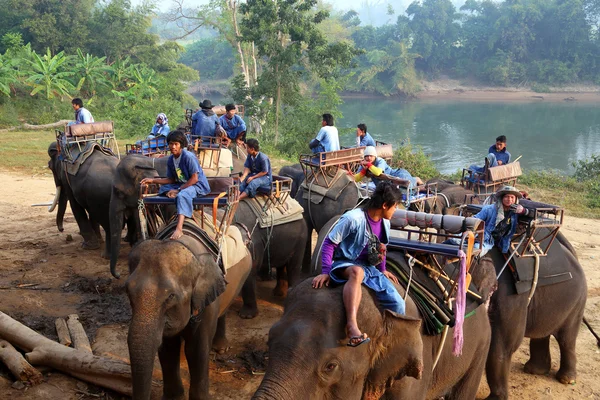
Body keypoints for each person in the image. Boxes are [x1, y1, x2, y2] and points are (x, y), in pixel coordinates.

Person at [312, 181, 405, 347]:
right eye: (395, 206)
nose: (395, 210)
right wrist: (326, 271)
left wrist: (382, 269)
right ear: (385, 205)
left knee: (398, 304)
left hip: (369, 267)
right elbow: (329, 243)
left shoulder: (385, 223)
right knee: (357, 272)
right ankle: (352, 325)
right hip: (344, 263)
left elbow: (381, 247)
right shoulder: (352, 218)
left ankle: (387, 342)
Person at [140, 130, 210, 240]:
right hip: (182, 183)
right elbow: (171, 179)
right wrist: (152, 180)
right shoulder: (171, 159)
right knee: (163, 189)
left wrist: (178, 190)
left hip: (197, 185)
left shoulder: (188, 157)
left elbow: (194, 178)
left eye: (176, 144)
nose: (173, 146)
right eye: (171, 144)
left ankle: (179, 228)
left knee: (182, 195)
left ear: (181, 145)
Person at [474, 185, 530, 257]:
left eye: (512, 197)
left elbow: (533, 215)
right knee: (476, 251)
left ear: (516, 199)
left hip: (501, 240)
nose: (509, 199)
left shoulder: (515, 212)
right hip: (485, 238)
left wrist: (524, 211)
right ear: (501, 198)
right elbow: (474, 220)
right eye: (506, 196)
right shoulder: (489, 209)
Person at [354, 146, 423, 188]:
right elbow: (356, 179)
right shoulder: (364, 165)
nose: (369, 158)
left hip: (396, 175)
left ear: (375, 156)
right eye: (366, 156)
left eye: (371, 156)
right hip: (384, 184)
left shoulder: (380, 161)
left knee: (407, 185)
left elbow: (378, 172)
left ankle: (416, 179)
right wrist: (363, 171)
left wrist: (369, 165)